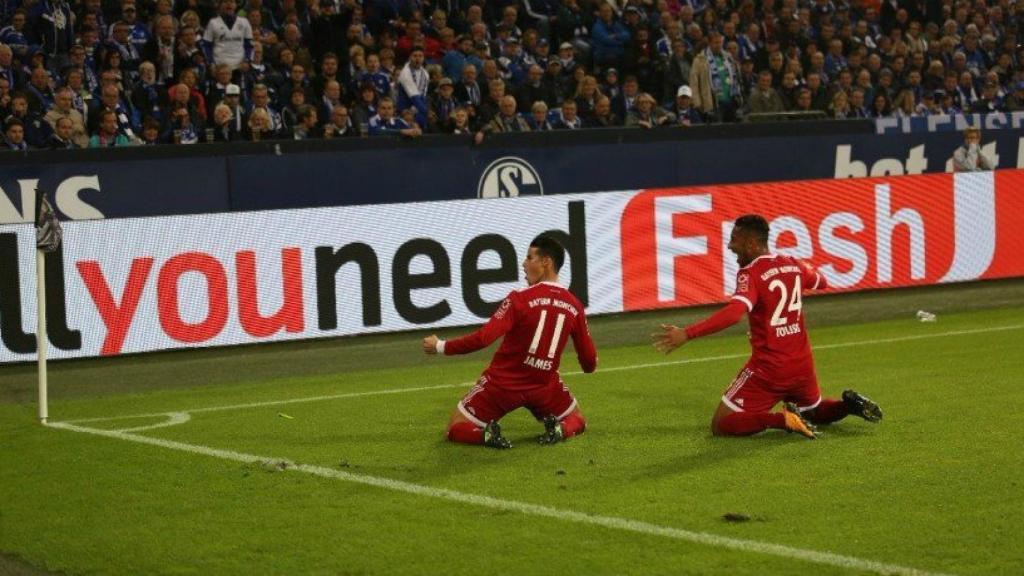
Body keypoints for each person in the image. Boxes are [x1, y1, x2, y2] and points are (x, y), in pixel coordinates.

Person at [652, 214, 882, 439]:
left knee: (721, 425)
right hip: (802, 365)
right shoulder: (793, 264)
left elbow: (734, 314)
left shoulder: (750, 273)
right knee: (814, 411)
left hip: (770, 369)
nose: (730, 246)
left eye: (735, 239)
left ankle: (782, 420)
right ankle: (847, 406)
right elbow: (821, 281)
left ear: (751, 243)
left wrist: (687, 333)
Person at [423, 236, 597, 448]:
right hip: (545, 386)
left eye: (529, 257)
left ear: (546, 262)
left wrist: (440, 346)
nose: (524, 264)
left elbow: (483, 338)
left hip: (503, 384)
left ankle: (486, 436)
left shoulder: (519, 299)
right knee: (577, 419)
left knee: (455, 427)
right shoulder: (575, 305)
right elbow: (589, 363)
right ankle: (561, 429)